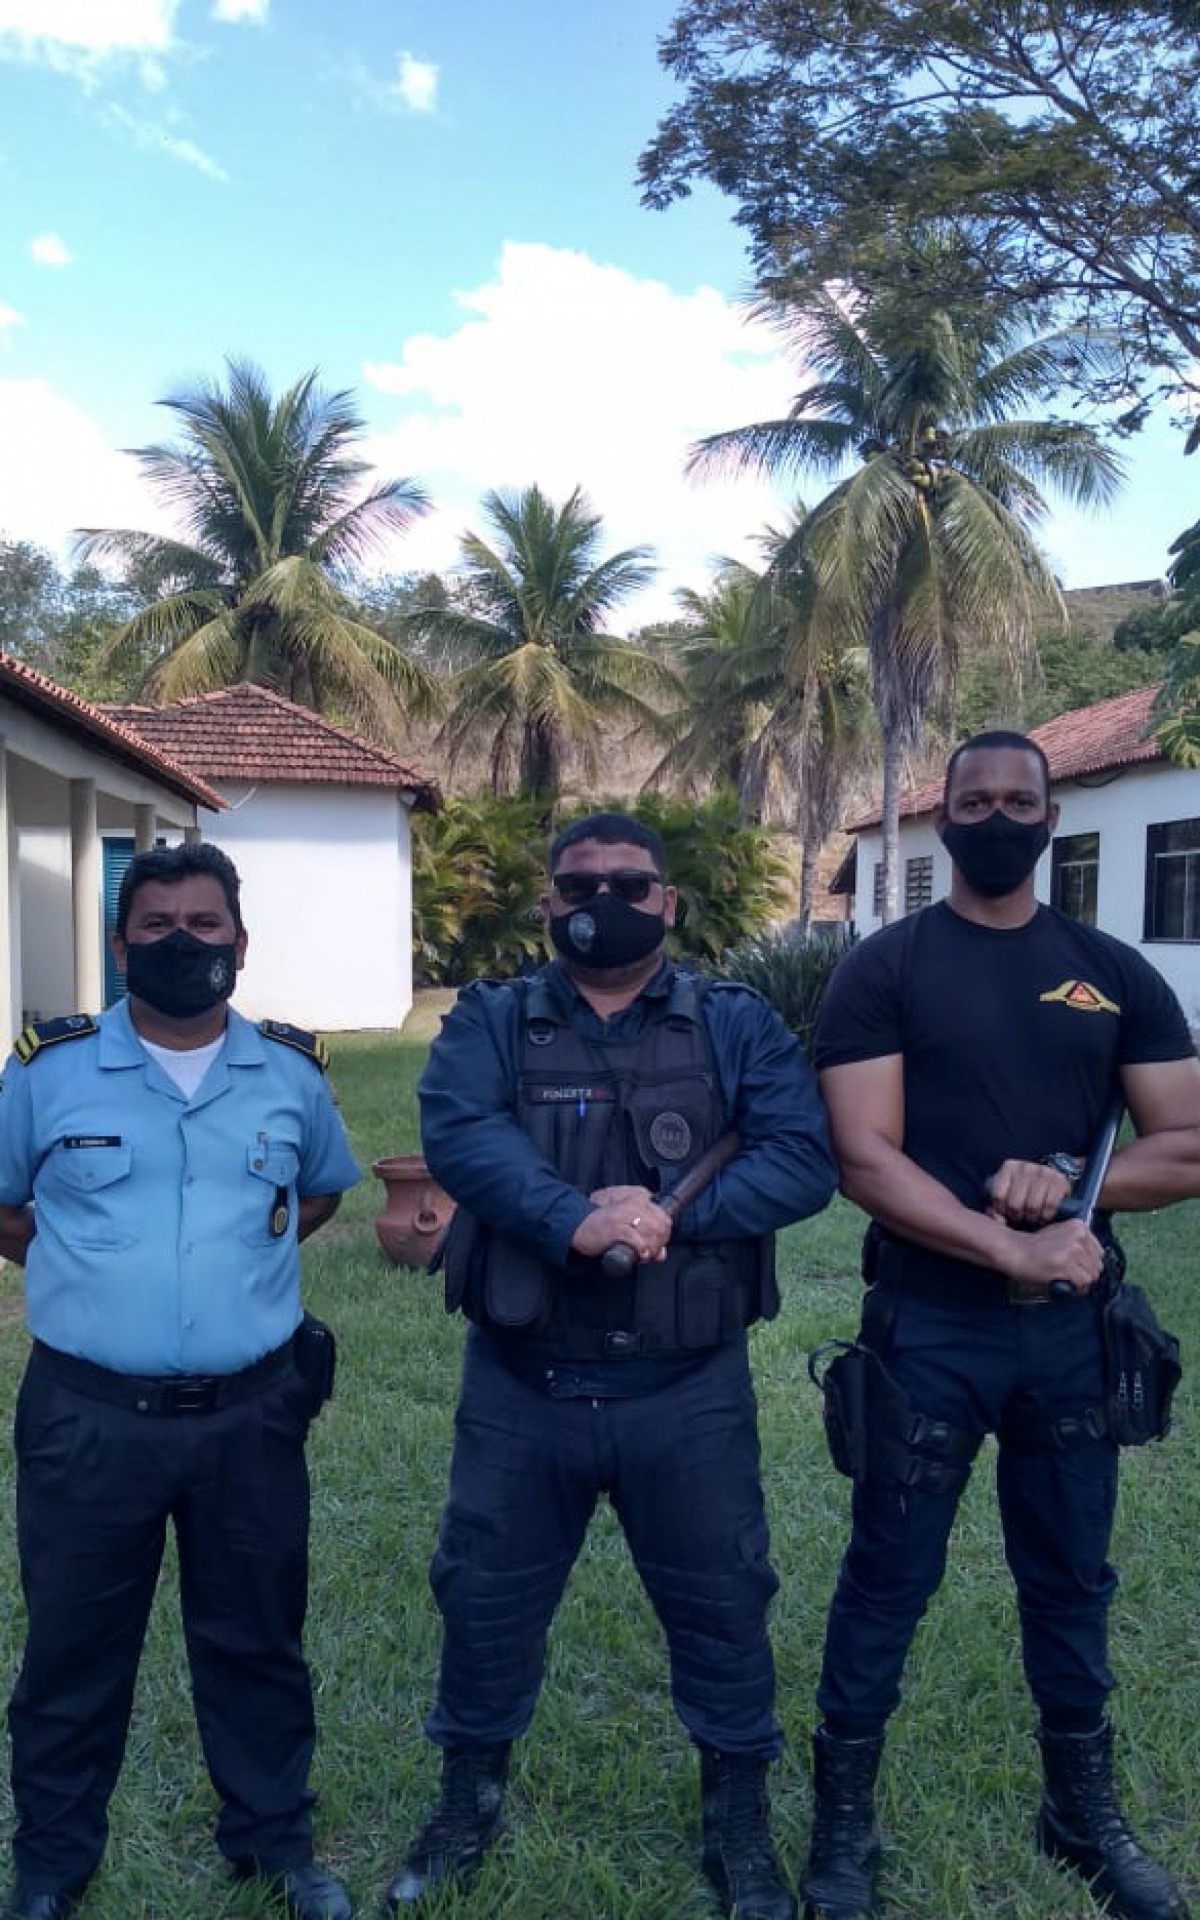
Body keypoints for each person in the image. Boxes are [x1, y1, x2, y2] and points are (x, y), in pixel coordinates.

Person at [385, 810, 838, 1919]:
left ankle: (736, 1823)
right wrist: (578, 1221)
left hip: (686, 1392)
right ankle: (466, 1803)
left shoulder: (733, 1023)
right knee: (482, 1599)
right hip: (522, 1384)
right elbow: (462, 1136)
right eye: (579, 883)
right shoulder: (490, 1020)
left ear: (667, 903)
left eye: (630, 883)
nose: (605, 900)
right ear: (548, 903)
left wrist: (674, 1218)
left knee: (725, 1603)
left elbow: (802, 1157)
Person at [802, 731, 1200, 1920]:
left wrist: (1070, 1190)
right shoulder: (888, 964)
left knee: (1072, 1578)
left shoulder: (1112, 971)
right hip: (929, 1326)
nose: (995, 815)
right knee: (888, 1575)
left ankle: (1079, 1813)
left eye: (1017, 800)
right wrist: (1004, 1237)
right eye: (973, 799)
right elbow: (863, 1158)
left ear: (1050, 816)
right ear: (943, 816)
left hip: (1075, 1331)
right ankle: (842, 1832)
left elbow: (1183, 1142)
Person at [0, 843, 361, 1920]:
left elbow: (322, 1196)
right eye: (156, 927)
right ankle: (53, 1862)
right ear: (121, 946)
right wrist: (86, 1270)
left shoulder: (290, 1074)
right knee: (74, 1648)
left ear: (240, 944)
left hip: (251, 1414)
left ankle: (273, 1845)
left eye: (205, 926)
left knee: (255, 1639)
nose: (182, 944)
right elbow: (8, 1204)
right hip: (87, 1419)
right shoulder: (46, 1070)